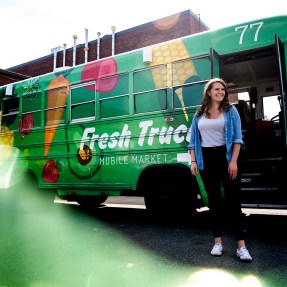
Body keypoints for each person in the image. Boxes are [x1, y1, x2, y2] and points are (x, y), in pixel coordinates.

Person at [187, 78, 252, 262]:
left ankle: (241, 247)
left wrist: (233, 162)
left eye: (222, 89)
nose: (220, 92)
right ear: (209, 92)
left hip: (226, 158)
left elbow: (238, 139)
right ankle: (217, 242)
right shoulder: (199, 113)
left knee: (234, 202)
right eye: (217, 89)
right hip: (206, 160)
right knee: (214, 202)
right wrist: (193, 161)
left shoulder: (231, 111)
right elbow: (192, 141)